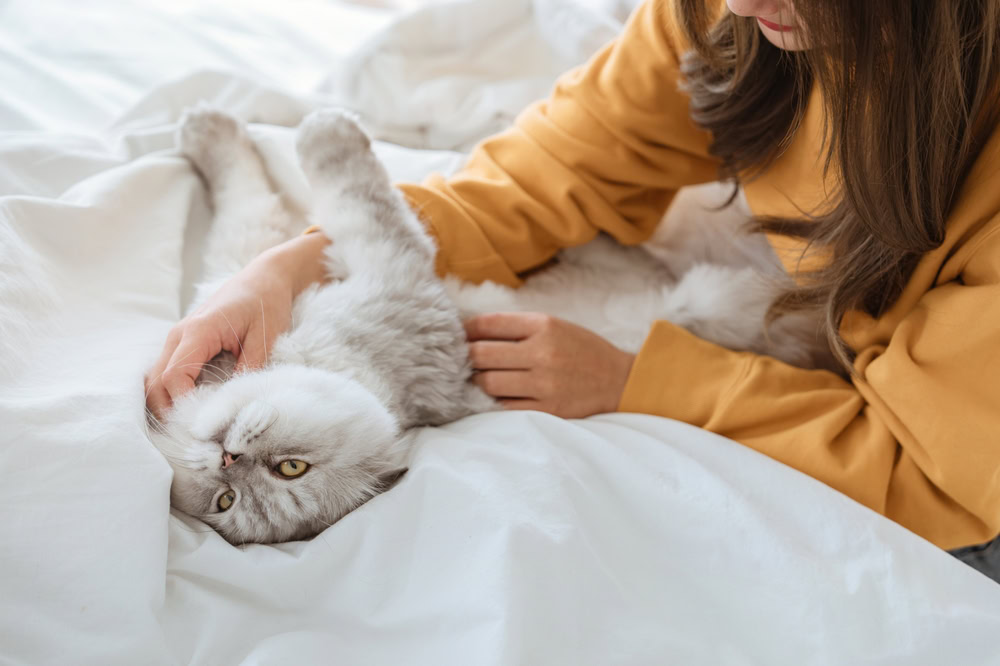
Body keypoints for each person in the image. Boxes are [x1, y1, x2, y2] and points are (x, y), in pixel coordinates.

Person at [146, 0, 1000, 579]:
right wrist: (292, 264)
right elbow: (553, 171)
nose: (737, 5)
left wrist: (643, 385)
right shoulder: (734, 17)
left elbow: (939, 479)